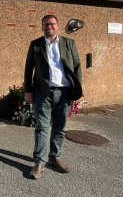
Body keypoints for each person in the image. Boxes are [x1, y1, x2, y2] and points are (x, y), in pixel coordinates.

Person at [24, 15, 82, 179]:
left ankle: (54, 158)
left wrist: (77, 91)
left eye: (52, 23)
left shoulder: (69, 43)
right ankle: (39, 163)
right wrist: (28, 90)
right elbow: (29, 69)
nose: (49, 26)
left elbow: (77, 68)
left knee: (60, 128)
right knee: (42, 128)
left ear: (58, 26)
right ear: (42, 27)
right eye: (45, 24)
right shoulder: (36, 45)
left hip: (64, 92)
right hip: (43, 93)